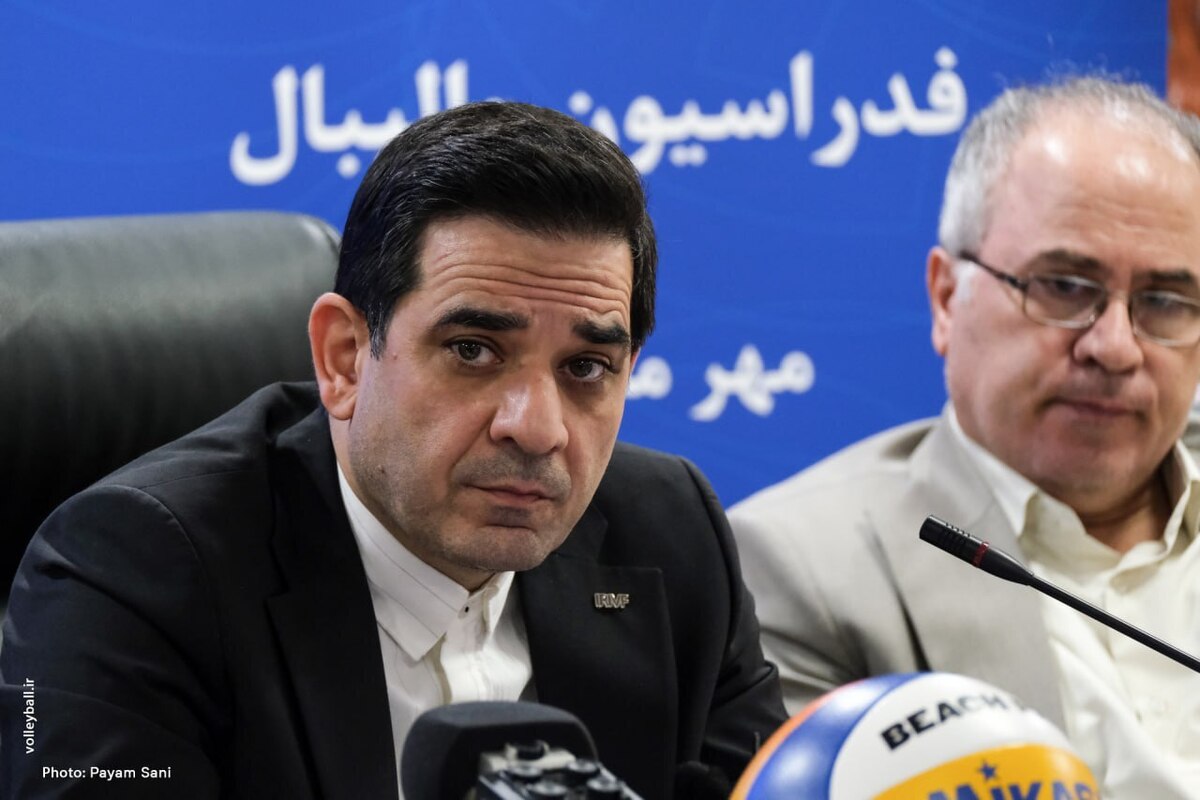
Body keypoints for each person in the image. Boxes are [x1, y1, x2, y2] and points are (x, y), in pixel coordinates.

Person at [0, 101, 786, 799]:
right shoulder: (133, 571)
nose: (537, 427)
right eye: (473, 350)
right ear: (345, 357)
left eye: (586, 368)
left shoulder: (673, 536)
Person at [730, 76, 1200, 798]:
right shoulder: (800, 567)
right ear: (947, 298)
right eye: (1064, 287)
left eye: (1165, 302)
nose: (1115, 347)